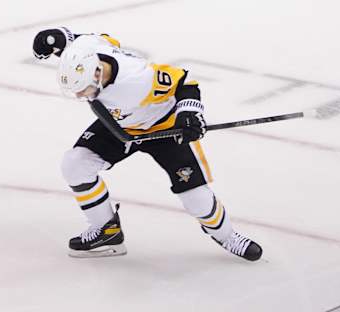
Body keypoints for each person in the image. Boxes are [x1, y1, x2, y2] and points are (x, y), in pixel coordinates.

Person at [32, 27, 262, 261]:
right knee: (75, 164)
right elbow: (85, 40)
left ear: (98, 74)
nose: (81, 96)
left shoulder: (137, 79)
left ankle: (228, 237)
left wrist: (190, 113)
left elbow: (185, 82)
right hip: (121, 127)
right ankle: (107, 231)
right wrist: (59, 38)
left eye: (83, 90)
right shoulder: (88, 51)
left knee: (197, 199)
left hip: (165, 129)